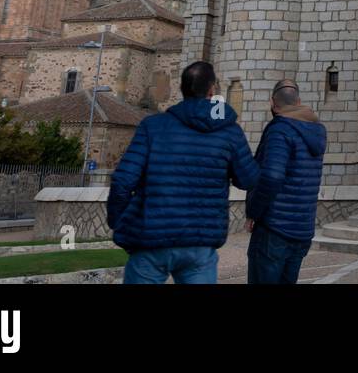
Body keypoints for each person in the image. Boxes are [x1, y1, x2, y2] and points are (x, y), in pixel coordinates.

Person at [107, 61, 259, 284]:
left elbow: (123, 180)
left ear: (182, 89)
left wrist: (118, 222)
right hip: (200, 240)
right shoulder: (229, 131)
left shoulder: (152, 126)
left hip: (152, 236)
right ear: (212, 90)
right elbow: (249, 179)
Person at [245, 79, 327, 284]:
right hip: (302, 228)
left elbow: (272, 176)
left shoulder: (280, 129)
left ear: (273, 103)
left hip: (275, 228)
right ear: (298, 101)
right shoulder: (317, 131)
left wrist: (253, 212)